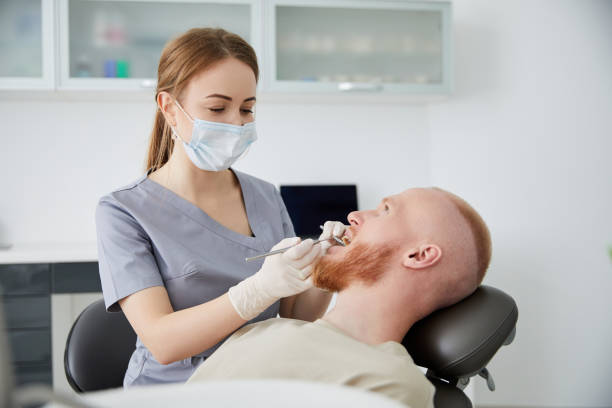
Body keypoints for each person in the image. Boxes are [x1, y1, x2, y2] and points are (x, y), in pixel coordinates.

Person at [95, 28, 346, 387]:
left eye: (247, 108)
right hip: (173, 394)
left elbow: (292, 316)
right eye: (217, 108)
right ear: (169, 107)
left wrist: (325, 271)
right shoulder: (123, 212)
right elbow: (163, 342)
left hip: (259, 385)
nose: (237, 122)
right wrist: (257, 290)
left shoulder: (265, 196)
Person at [187, 187, 492, 408]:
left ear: (419, 255)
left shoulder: (389, 384)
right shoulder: (262, 328)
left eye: (385, 210)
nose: (353, 216)